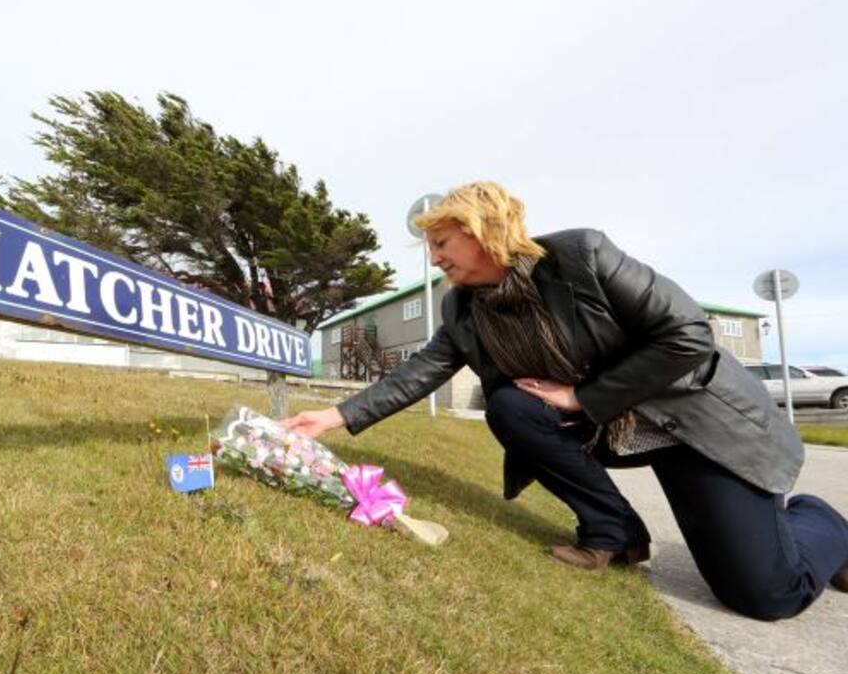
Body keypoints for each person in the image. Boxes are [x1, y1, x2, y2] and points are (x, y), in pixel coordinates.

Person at [283, 181, 848, 621]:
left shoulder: (582, 257)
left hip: (699, 427)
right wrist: (332, 416)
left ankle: (822, 521)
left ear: (484, 229)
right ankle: (614, 531)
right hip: (615, 430)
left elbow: (688, 336)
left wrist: (582, 395)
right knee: (511, 404)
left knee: (767, 594)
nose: (435, 259)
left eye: (441, 243)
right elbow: (420, 373)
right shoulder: (462, 310)